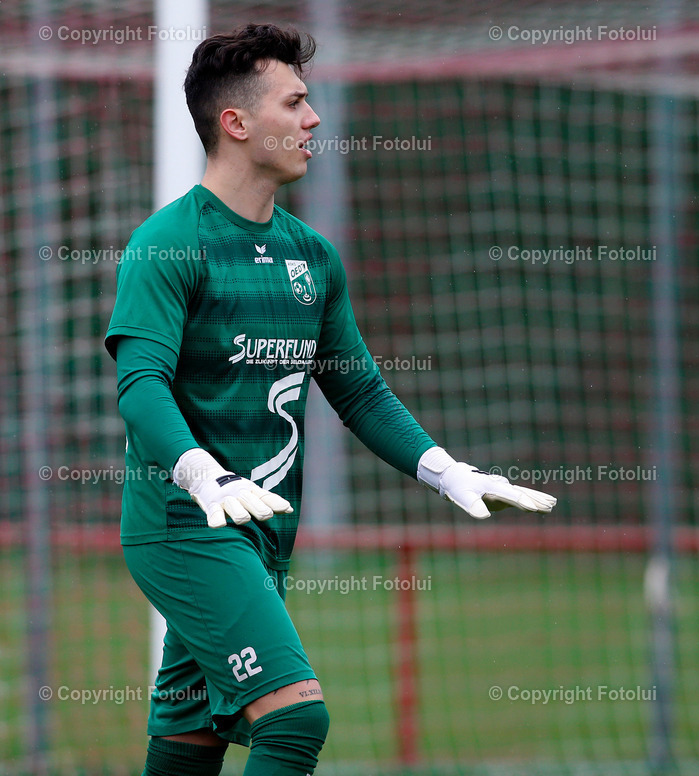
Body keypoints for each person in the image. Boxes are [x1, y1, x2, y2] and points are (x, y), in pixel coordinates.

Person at [105, 22, 556, 776]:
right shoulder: (167, 244)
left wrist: (450, 472)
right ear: (237, 123)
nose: (315, 120)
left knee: (189, 746)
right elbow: (139, 385)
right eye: (296, 102)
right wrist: (202, 474)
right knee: (295, 721)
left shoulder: (311, 257)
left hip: (260, 536)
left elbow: (360, 392)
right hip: (185, 526)